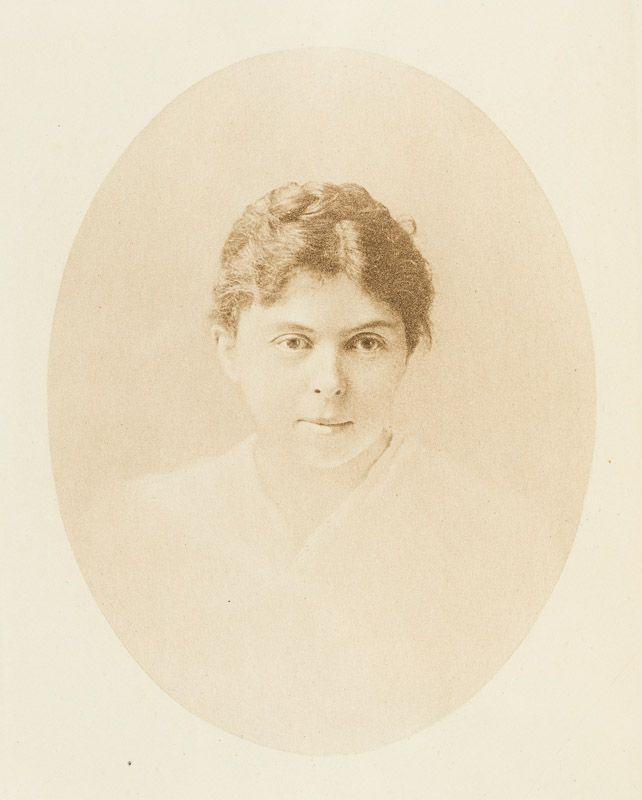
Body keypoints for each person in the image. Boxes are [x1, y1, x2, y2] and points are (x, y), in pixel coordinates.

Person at [78, 182, 561, 754]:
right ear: (228, 348)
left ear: (409, 351)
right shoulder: (143, 526)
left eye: (365, 344)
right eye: (293, 342)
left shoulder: (499, 538)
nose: (329, 382)